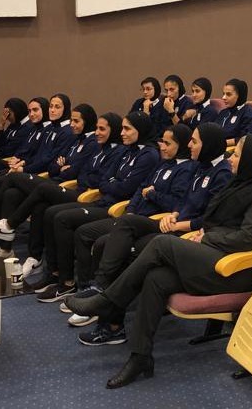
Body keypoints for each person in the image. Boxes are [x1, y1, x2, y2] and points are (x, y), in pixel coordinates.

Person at [64, 135, 252, 389]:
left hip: (236, 269)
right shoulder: (240, 184)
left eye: (237, 155)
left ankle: (108, 300)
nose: (231, 158)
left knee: (161, 243)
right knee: (156, 278)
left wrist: (207, 236)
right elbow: (216, 221)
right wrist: (205, 231)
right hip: (216, 254)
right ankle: (140, 357)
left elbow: (247, 238)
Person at [32, 112, 159, 300]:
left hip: (116, 208)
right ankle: (55, 273)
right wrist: (113, 183)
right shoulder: (126, 150)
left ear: (140, 130)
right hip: (103, 200)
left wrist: (112, 183)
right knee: (50, 212)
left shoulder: (149, 155)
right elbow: (103, 180)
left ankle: (72, 284)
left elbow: (127, 188)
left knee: (63, 219)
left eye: (127, 129)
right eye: (122, 128)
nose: (122, 133)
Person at [0, 105, 101, 263]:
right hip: (54, 180)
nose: (72, 124)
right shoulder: (76, 139)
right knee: (12, 194)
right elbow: (53, 166)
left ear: (87, 121)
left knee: (14, 178)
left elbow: (75, 172)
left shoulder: (91, 143)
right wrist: (60, 167)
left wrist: (62, 168)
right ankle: (6, 248)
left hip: (68, 187)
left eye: (76, 121)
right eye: (71, 120)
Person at [216, 78, 252, 145]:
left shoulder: (248, 113)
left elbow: (244, 139)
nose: (223, 97)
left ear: (239, 95)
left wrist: (221, 143)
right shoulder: (223, 112)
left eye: (228, 94)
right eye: (223, 94)